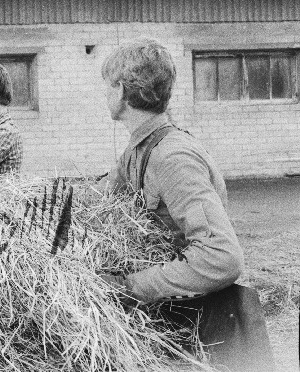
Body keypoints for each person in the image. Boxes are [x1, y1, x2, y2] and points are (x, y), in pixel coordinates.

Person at [99, 38, 273, 371]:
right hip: (172, 321)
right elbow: (98, 198)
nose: (105, 95)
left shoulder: (172, 157)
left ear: (120, 91)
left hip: (203, 329)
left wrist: (131, 287)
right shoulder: (138, 151)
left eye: (107, 86)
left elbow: (221, 258)